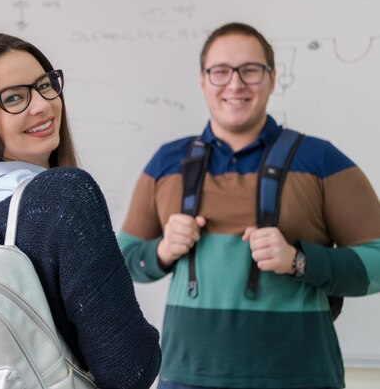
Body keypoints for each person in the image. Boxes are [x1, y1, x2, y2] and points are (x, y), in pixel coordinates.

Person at [118, 22, 380, 389]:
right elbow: (122, 260)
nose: (235, 84)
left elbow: (378, 261)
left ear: (272, 79)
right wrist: (161, 251)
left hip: (302, 379)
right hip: (187, 378)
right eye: (221, 71)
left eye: (250, 70)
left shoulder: (322, 160)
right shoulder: (166, 162)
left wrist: (299, 260)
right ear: (202, 81)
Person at [0, 33, 161, 389]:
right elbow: (128, 369)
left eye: (45, 85)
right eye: (14, 97)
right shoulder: (67, 195)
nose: (42, 104)